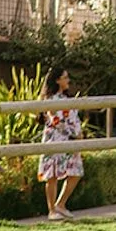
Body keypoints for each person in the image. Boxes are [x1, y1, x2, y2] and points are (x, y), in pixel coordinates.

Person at [38, 67, 84, 220]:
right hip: (54, 138)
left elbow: (74, 118)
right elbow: (54, 120)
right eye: (65, 77)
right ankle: (52, 210)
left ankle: (61, 204)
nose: (68, 80)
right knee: (52, 174)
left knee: (76, 172)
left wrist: (78, 134)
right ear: (57, 80)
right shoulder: (50, 100)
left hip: (71, 139)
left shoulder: (67, 99)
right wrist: (72, 133)